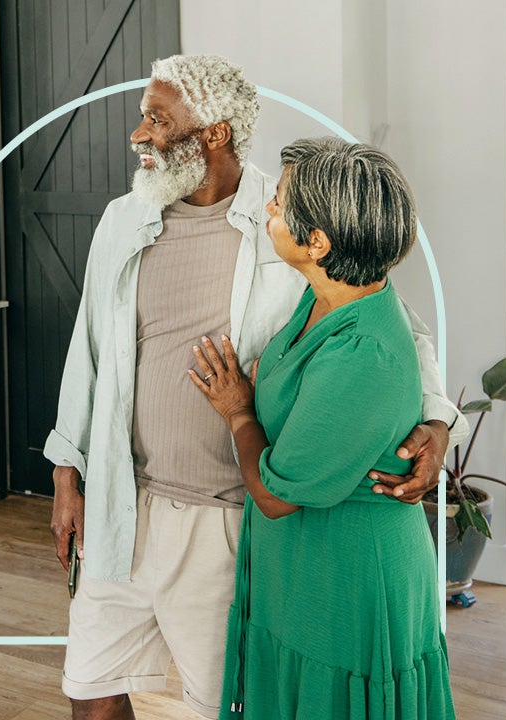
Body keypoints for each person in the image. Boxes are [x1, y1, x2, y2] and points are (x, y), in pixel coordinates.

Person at [45, 54, 466, 720]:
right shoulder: (121, 221)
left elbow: (395, 324)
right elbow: (88, 352)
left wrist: (438, 421)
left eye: (158, 118)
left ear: (214, 133)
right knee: (90, 690)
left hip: (227, 517)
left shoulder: (290, 220)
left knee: (221, 704)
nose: (139, 135)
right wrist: (68, 474)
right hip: (124, 504)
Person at [191, 138, 456, 718]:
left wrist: (238, 409)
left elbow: (276, 495)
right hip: (307, 572)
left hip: (348, 585)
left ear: (318, 242)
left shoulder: (361, 351)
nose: (267, 210)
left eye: (280, 204)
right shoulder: (327, 297)